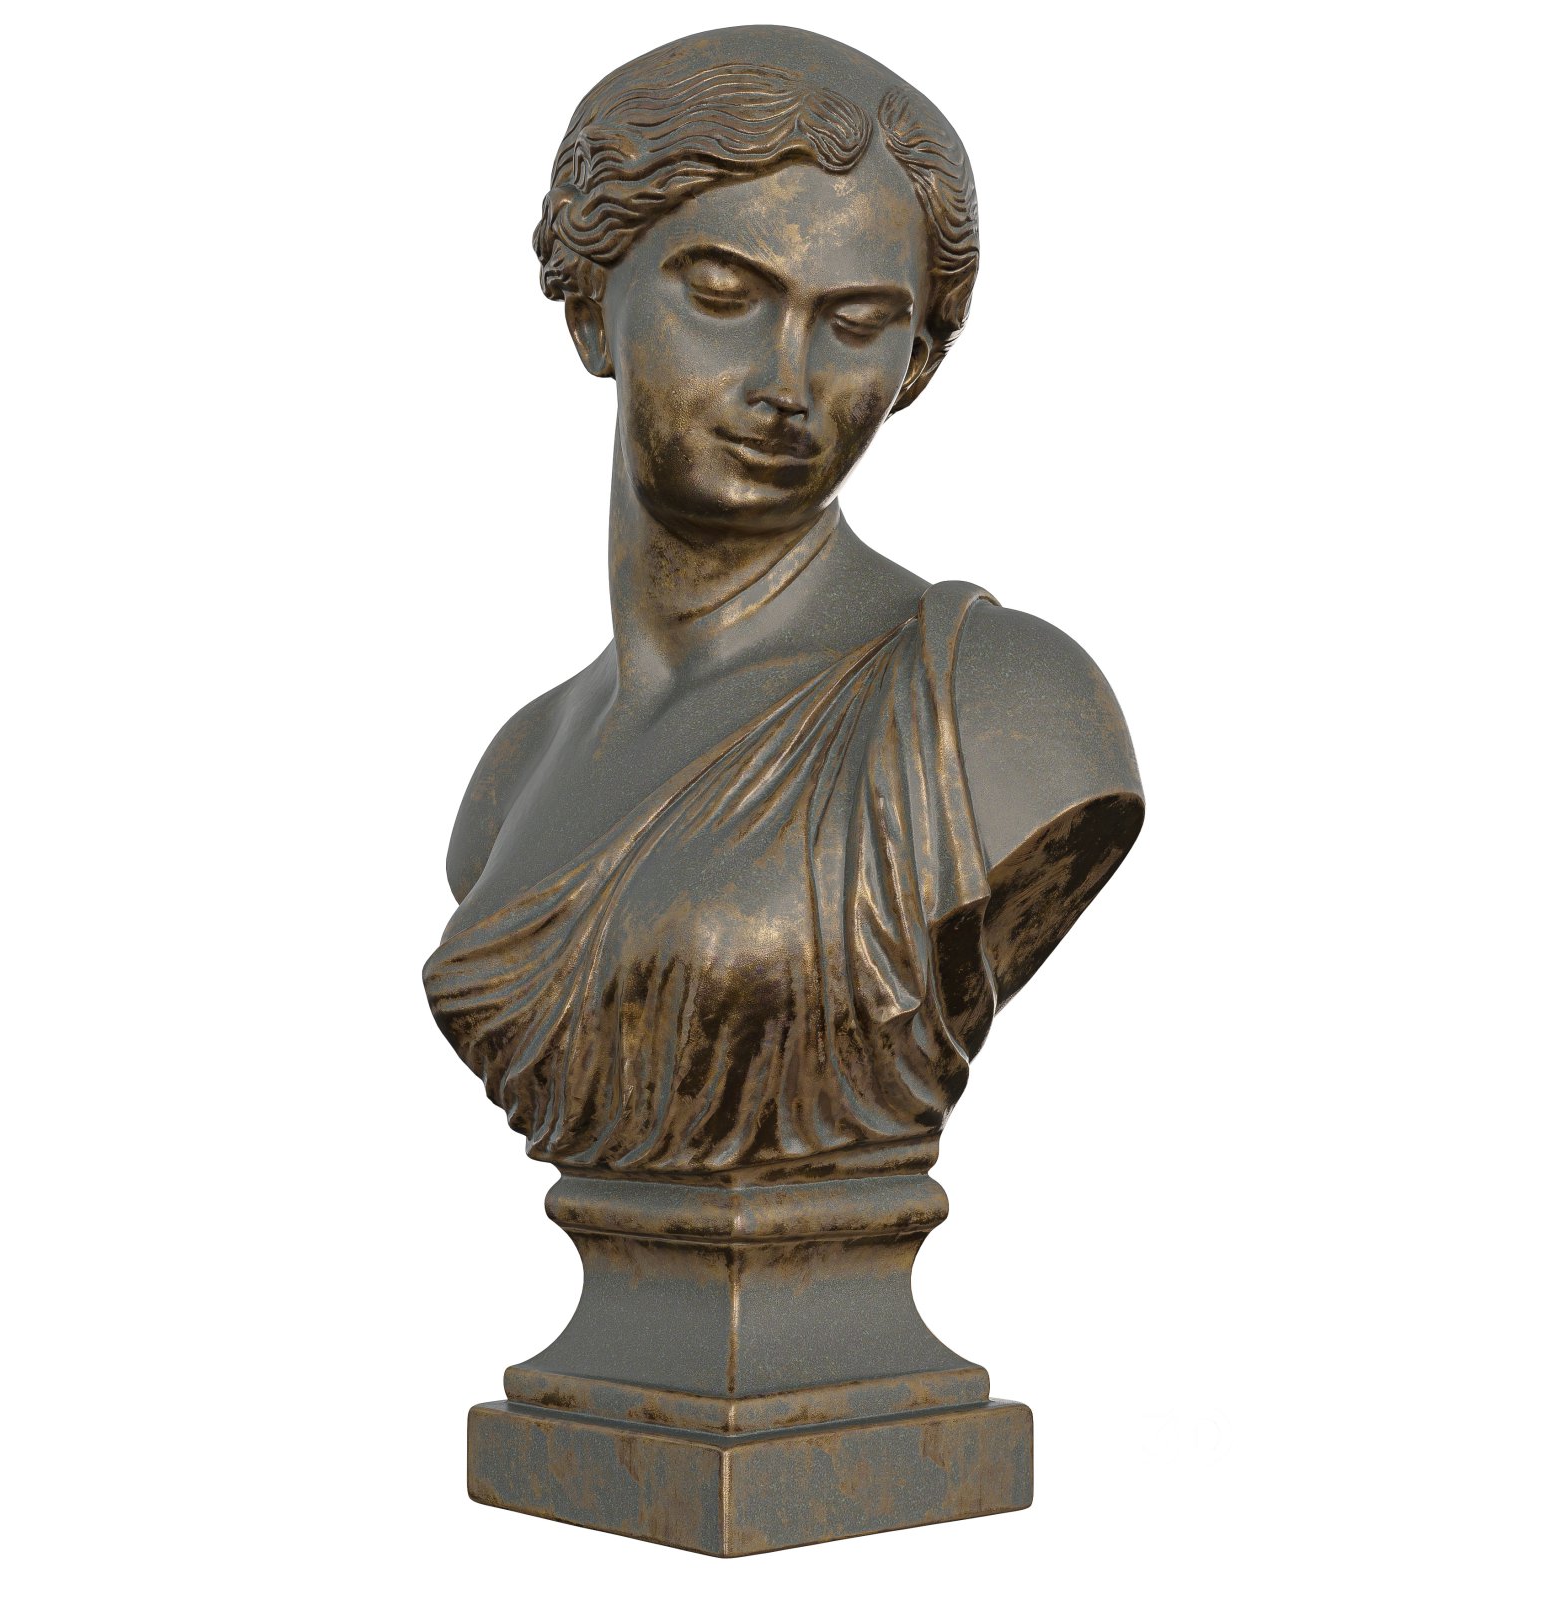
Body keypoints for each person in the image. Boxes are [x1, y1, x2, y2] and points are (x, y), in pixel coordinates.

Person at [423, 26, 1143, 1175]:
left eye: (857, 325)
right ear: (591, 308)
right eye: (723, 296)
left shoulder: (996, 707)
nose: (786, 383)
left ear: (914, 366)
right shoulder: (515, 775)